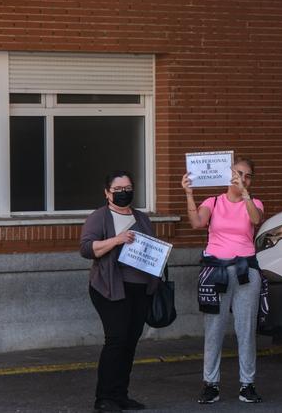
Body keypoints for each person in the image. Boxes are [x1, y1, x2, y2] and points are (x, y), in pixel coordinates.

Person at [184, 158, 265, 405]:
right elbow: (197, 223)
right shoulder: (214, 201)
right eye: (238, 173)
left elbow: (256, 219)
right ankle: (211, 384)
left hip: (245, 269)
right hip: (216, 269)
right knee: (214, 329)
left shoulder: (255, 202)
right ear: (228, 174)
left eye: (248, 175)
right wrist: (189, 194)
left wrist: (247, 194)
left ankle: (247, 384)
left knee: (246, 329)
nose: (242, 178)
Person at [80, 170, 160, 413]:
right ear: (107, 193)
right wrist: (117, 240)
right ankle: (104, 398)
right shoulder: (100, 217)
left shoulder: (142, 217)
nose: (124, 193)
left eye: (128, 188)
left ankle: (121, 395)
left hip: (140, 288)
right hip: (110, 288)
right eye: (118, 190)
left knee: (130, 342)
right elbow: (86, 249)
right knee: (116, 340)